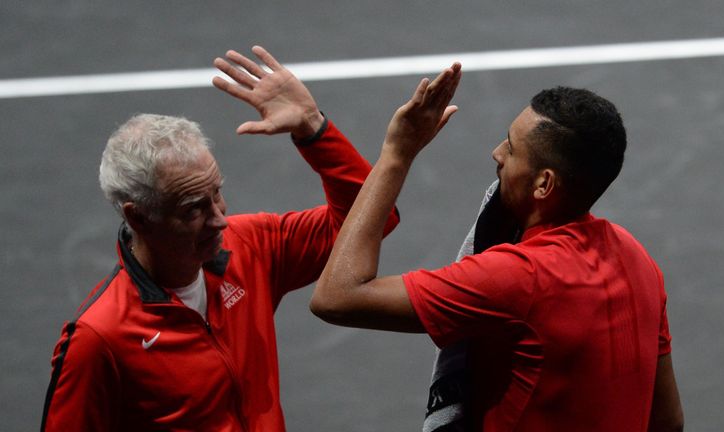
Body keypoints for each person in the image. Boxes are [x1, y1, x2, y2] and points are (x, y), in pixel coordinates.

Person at [41, 46, 398, 431]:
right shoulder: (99, 339)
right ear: (139, 216)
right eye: (194, 208)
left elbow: (372, 221)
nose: (220, 220)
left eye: (217, 193)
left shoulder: (251, 247)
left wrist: (313, 128)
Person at [311, 64, 684, 431]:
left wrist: (397, 154)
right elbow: (667, 421)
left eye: (512, 146)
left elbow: (337, 296)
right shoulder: (638, 258)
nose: (497, 153)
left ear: (543, 184)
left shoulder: (518, 277)